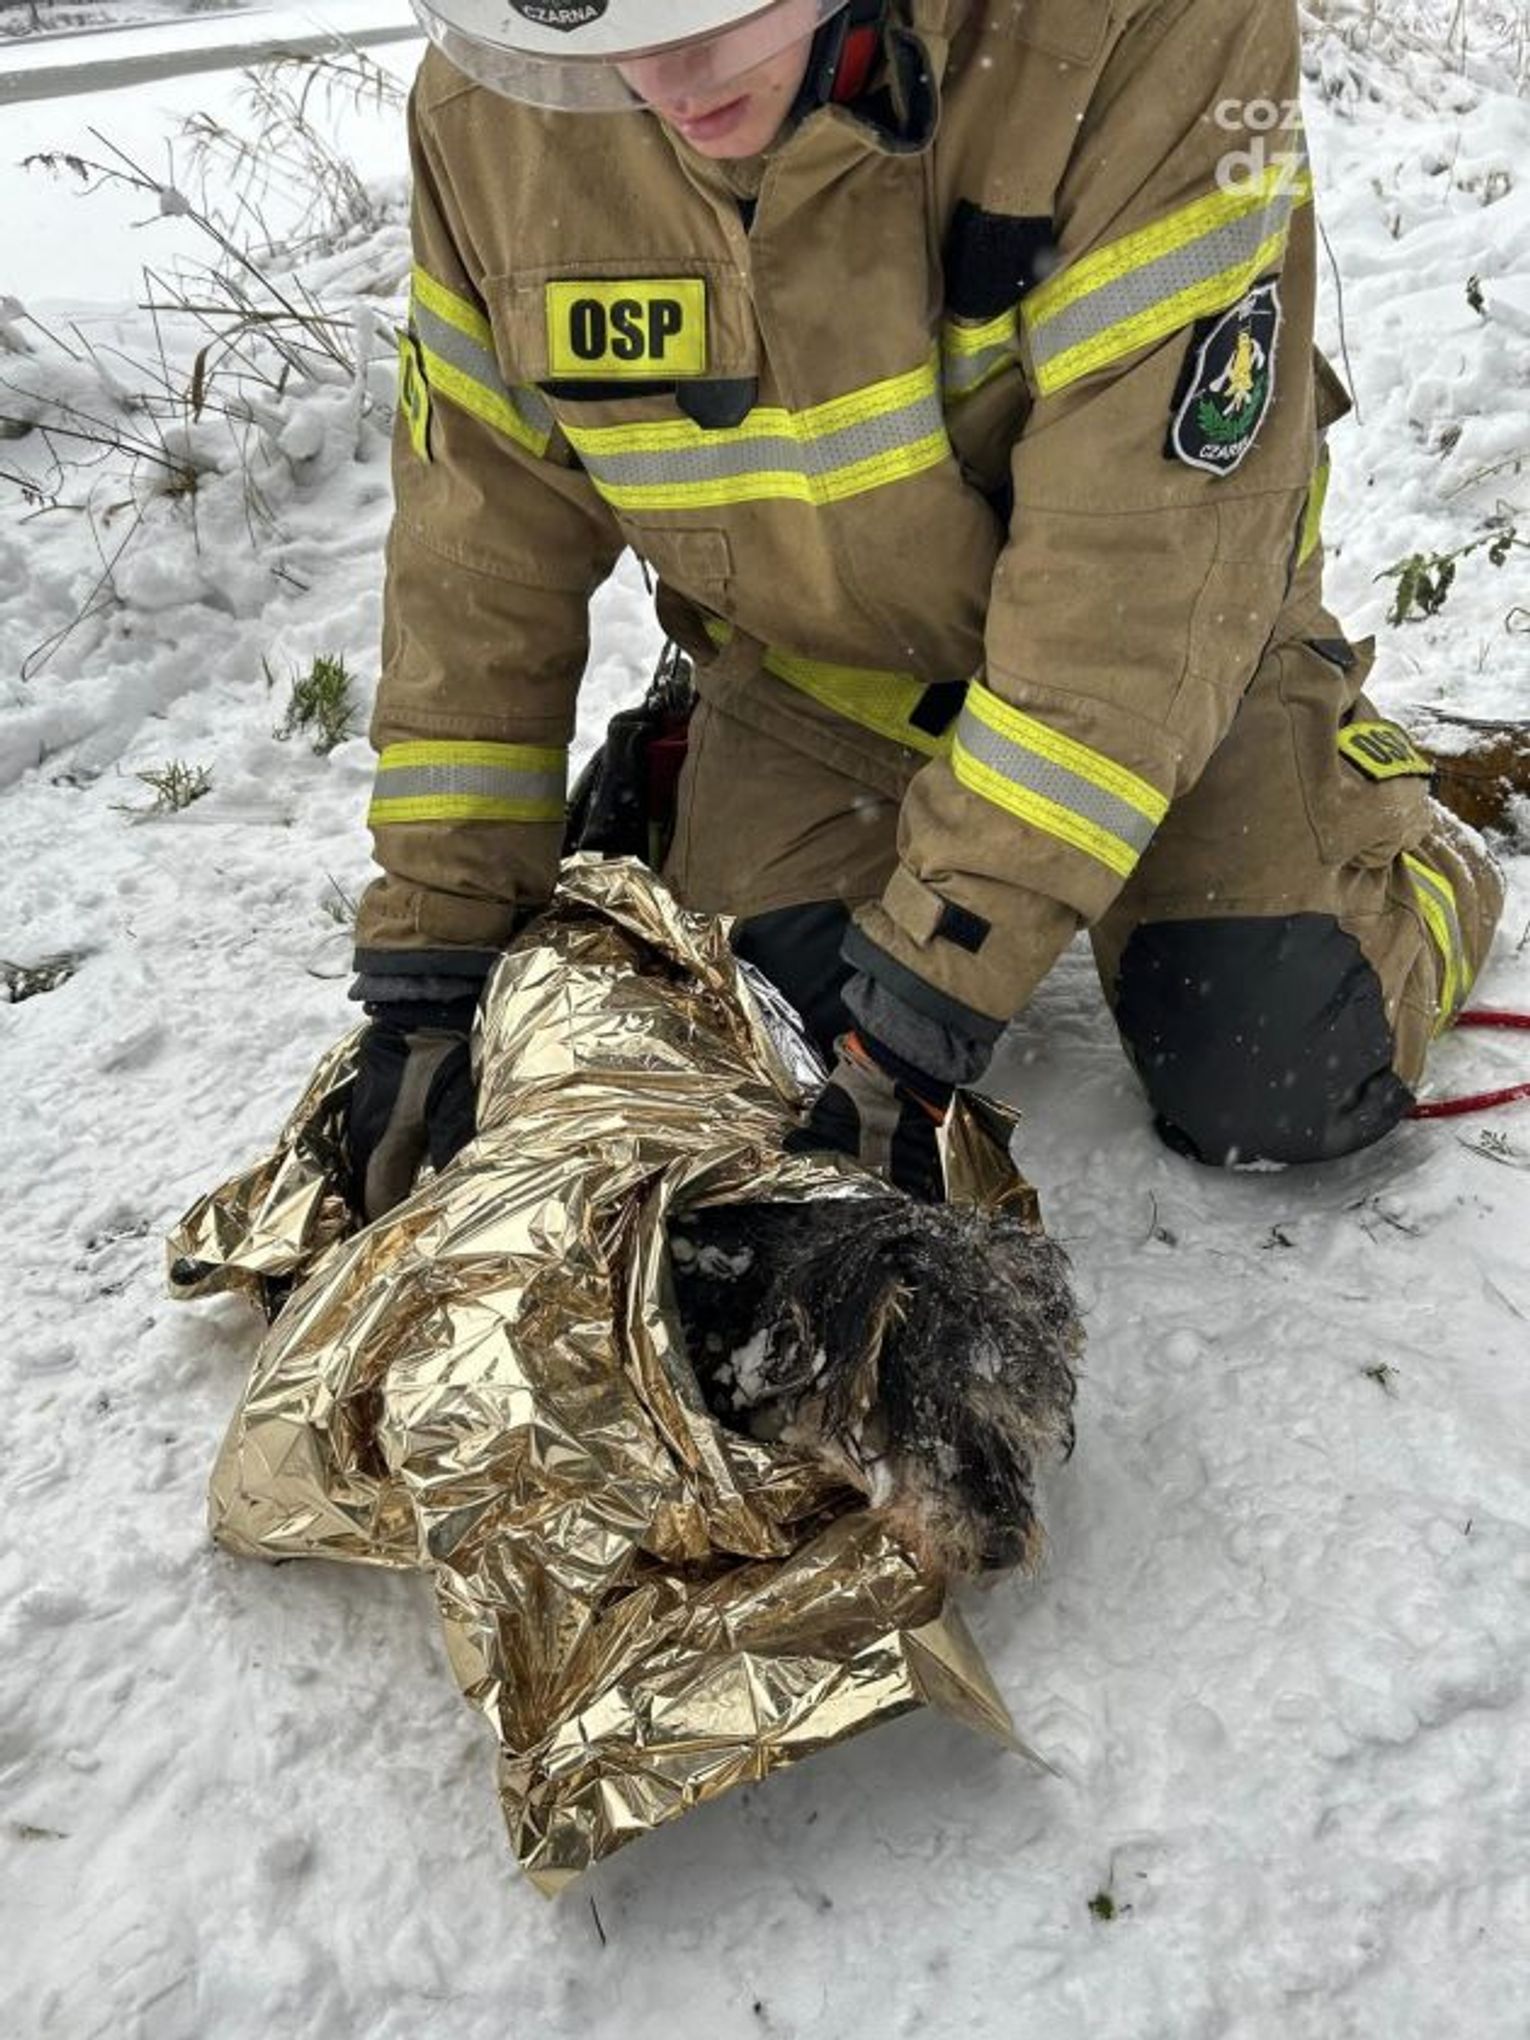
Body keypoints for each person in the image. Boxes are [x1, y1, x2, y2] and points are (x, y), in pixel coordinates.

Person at [345, 0, 1505, 1222]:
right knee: (764, 1036)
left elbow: (1135, 582)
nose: (664, 73)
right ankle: (724, 767)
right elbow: (478, 557)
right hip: (820, 674)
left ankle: (1402, 844)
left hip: (1178, 640)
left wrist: (928, 999)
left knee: (1277, 1065)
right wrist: (434, 957)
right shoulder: (496, 108)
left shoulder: (1151, 27)